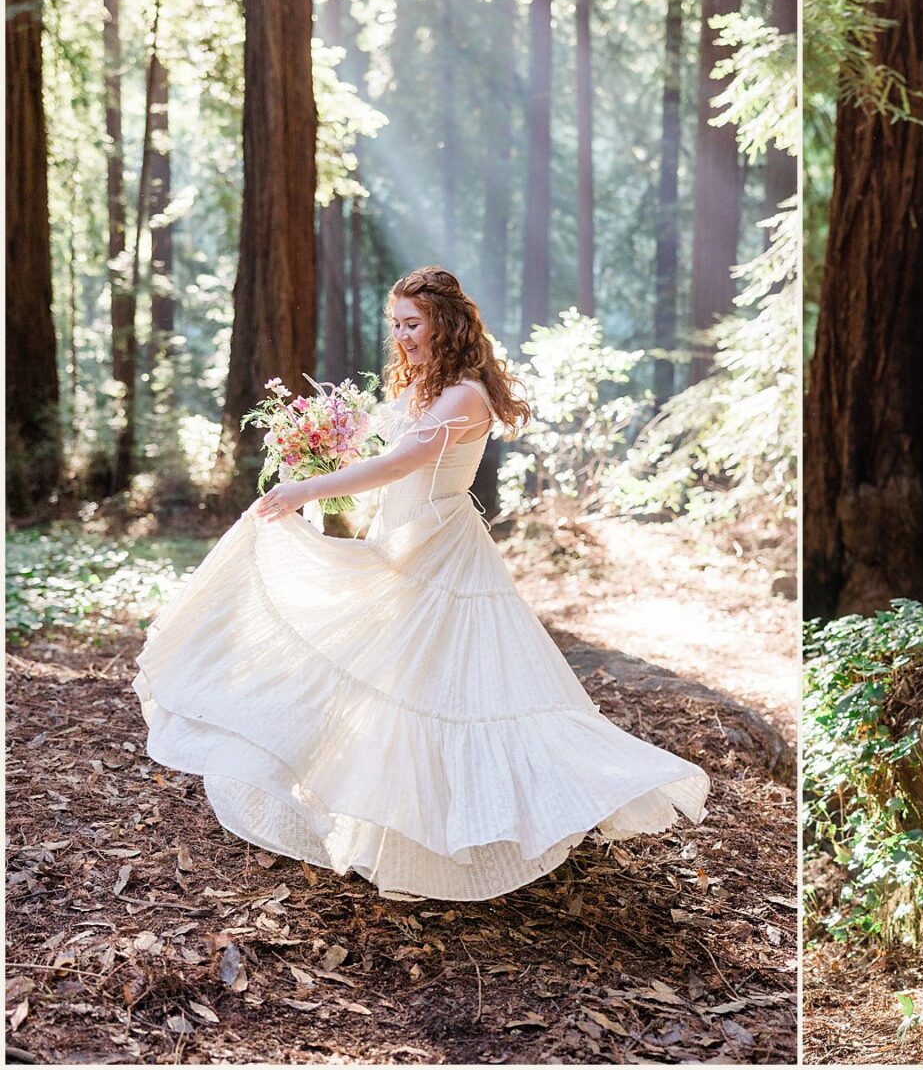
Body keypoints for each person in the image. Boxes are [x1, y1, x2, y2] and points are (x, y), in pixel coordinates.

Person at [132, 267, 709, 900]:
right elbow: (376, 456)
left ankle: (476, 826)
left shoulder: (463, 396)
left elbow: (399, 463)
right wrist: (320, 448)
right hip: (401, 540)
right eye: (397, 324)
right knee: (394, 681)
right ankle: (385, 819)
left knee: (444, 689)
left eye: (414, 324)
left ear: (447, 325)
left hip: (440, 552)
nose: (403, 336)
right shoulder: (424, 388)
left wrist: (305, 489)